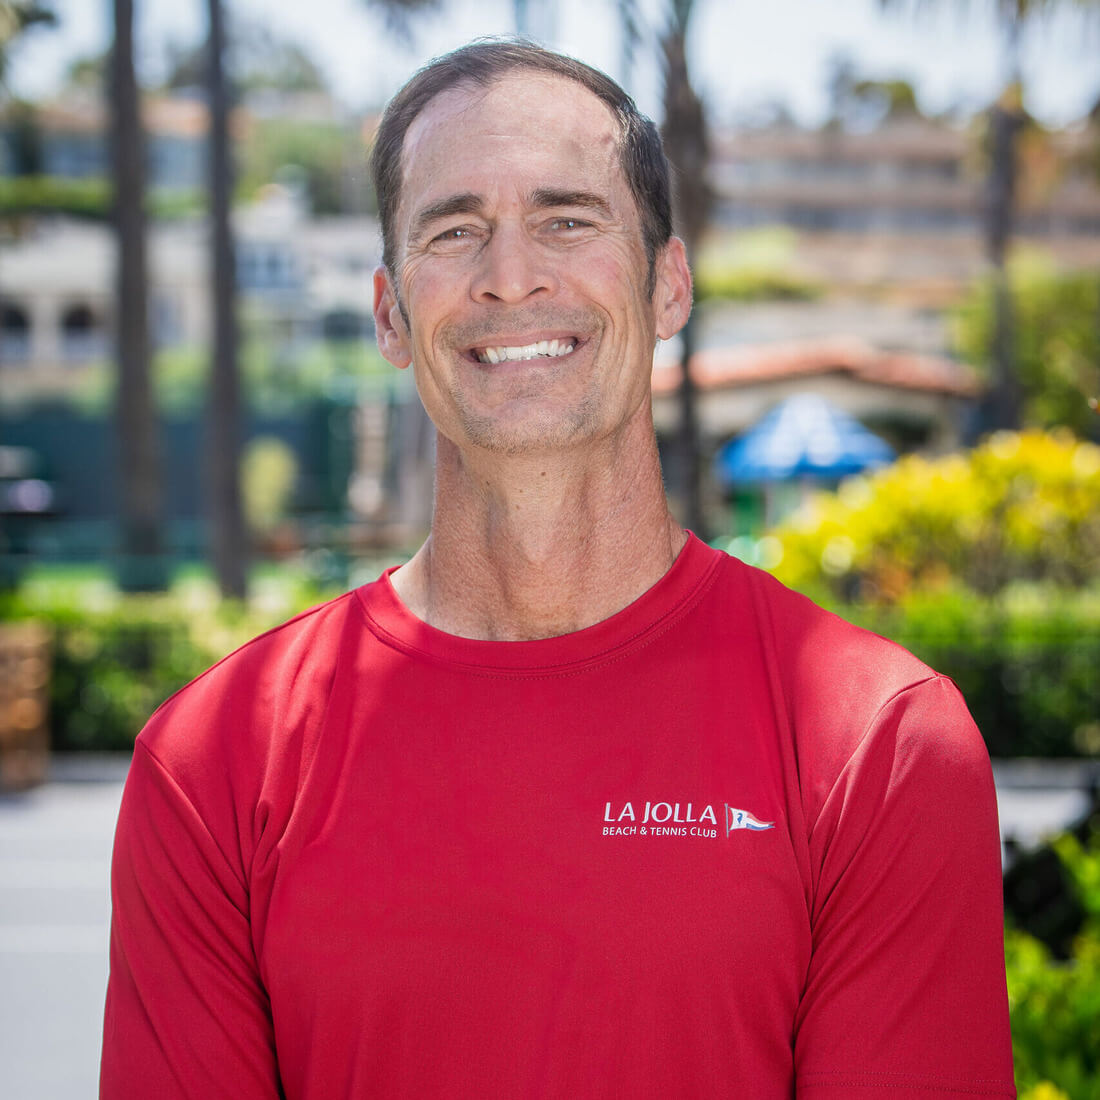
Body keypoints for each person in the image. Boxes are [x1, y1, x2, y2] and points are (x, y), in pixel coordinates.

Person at [101, 40, 1015, 1099]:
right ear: (390, 314)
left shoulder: (883, 743)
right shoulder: (214, 764)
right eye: (453, 231)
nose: (509, 274)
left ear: (666, 283)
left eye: (566, 219)